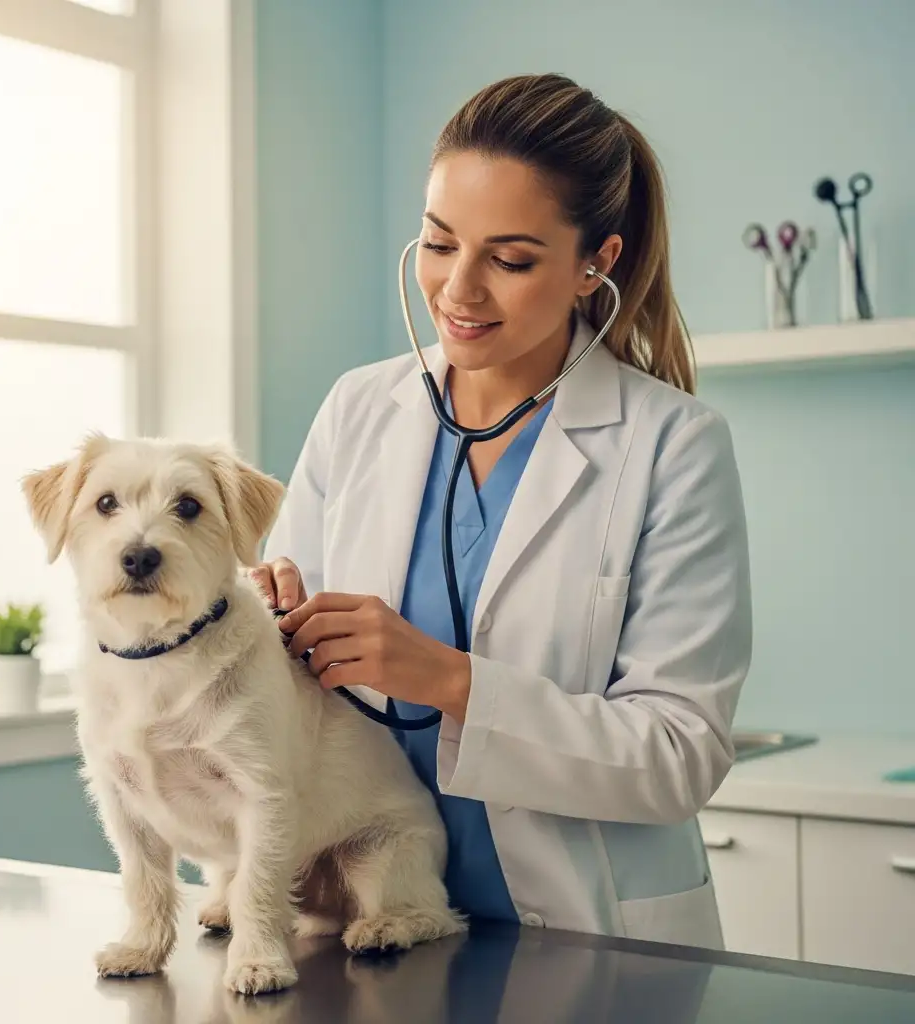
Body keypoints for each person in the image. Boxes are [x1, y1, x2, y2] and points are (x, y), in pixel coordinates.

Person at [250, 73, 751, 949]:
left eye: (510, 259)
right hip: (363, 919)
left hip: (578, 936)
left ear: (597, 262)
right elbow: (301, 687)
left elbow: (679, 755)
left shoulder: (673, 445)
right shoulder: (360, 409)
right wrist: (267, 627)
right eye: (440, 244)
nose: (459, 290)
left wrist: (445, 679)